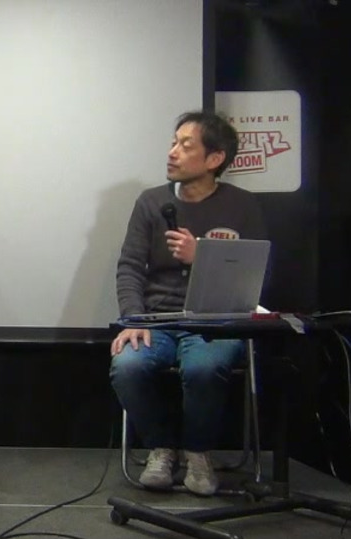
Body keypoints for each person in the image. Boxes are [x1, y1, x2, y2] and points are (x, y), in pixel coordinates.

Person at [109, 110, 267, 496]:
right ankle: (162, 448)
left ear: (215, 159)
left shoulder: (242, 206)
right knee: (127, 365)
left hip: (216, 320)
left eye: (185, 145)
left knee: (204, 368)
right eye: (173, 142)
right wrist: (133, 319)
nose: (172, 152)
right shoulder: (151, 202)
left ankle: (197, 453)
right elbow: (130, 267)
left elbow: (255, 275)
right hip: (158, 319)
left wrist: (202, 258)